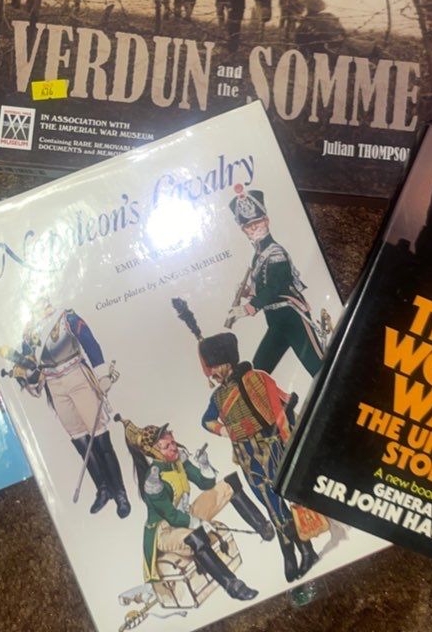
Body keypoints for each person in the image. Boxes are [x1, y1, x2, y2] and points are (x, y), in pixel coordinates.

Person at [197, 331, 318, 582]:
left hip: (271, 448)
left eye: (214, 367)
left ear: (225, 362)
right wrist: (224, 430)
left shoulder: (257, 379)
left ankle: (305, 551)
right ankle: (292, 554)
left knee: (286, 501)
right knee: (271, 507)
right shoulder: (217, 397)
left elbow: (282, 406)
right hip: (246, 457)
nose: (212, 373)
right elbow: (206, 421)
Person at [0, 299, 130, 518]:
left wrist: (102, 374)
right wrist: (26, 373)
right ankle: (103, 489)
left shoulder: (65, 317)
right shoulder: (29, 331)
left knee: (99, 436)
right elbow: (32, 367)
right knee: (79, 439)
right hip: (54, 384)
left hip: (76, 376)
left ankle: (120, 493)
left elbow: (89, 342)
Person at [117, 417, 260, 601]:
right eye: (166, 446)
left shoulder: (179, 460)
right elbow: (171, 516)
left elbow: (205, 484)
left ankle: (264, 528)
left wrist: (204, 465)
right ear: (155, 452)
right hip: (166, 530)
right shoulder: (153, 482)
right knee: (197, 538)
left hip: (185, 515)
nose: (173, 447)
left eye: (172, 442)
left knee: (229, 485)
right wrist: (198, 523)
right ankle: (233, 586)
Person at [226, 187, 327, 376]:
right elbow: (265, 287)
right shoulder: (258, 255)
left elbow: (275, 287)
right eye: (248, 226)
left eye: (257, 222)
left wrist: (249, 307)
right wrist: (248, 292)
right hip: (275, 321)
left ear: (266, 220)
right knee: (257, 374)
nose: (254, 228)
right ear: (243, 230)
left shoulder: (275, 252)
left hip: (292, 317)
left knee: (320, 369)